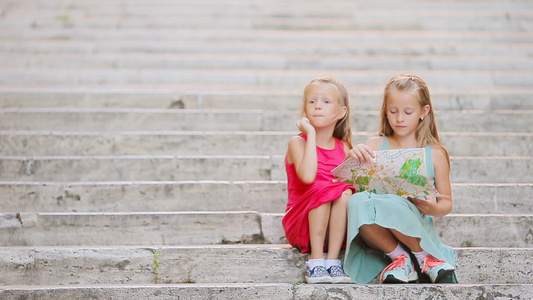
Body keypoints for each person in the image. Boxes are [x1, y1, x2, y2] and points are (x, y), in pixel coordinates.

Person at [344, 74, 457, 284]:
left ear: (424, 111)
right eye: (393, 111)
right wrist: (353, 159)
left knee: (394, 201)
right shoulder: (375, 144)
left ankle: (425, 256)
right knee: (357, 201)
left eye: (407, 112)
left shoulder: (435, 153)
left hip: (414, 222)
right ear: (385, 111)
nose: (399, 118)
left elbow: (447, 203)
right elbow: (358, 187)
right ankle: (400, 258)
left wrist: (432, 208)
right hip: (379, 228)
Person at [282, 77, 356, 284]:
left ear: (341, 112)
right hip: (302, 224)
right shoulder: (298, 142)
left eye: (325, 102)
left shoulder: (344, 147)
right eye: (312, 101)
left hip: (334, 227)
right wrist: (311, 135)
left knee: (344, 191)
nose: (317, 107)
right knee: (323, 188)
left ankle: (332, 261)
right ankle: (315, 262)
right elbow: (307, 177)